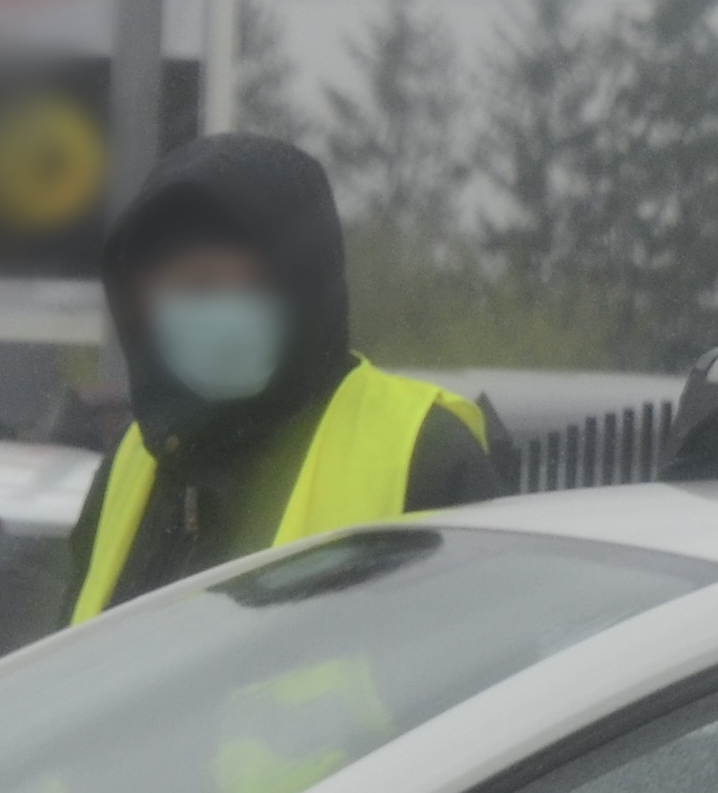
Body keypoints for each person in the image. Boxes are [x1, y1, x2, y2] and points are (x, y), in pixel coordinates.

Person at [64, 133, 506, 622]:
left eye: (258, 286)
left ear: (311, 291)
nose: (227, 315)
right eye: (197, 285)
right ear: (141, 298)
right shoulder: (133, 459)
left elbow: (481, 659)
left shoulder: (425, 455)